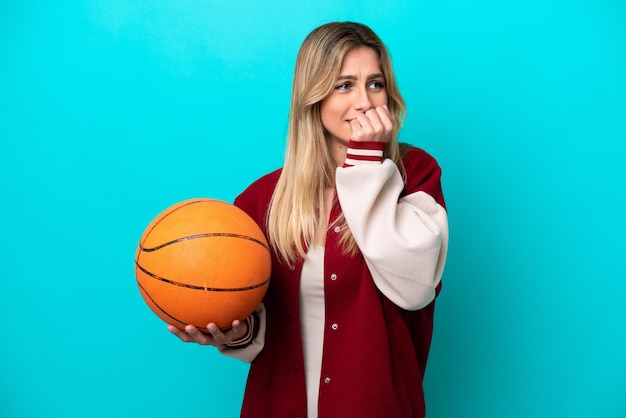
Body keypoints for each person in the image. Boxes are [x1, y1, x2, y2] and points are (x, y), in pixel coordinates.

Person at [168, 21, 449, 418]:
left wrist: (366, 160)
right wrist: (234, 332)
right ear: (313, 98)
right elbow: (260, 318)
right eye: (344, 85)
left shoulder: (416, 175)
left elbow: (416, 285)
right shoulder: (260, 200)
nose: (365, 102)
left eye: (375, 84)